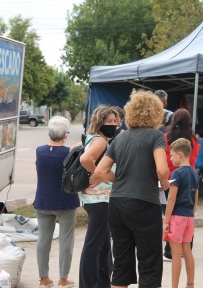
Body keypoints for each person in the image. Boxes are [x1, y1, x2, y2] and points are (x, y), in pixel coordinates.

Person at [93, 90, 170, 288]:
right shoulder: (156, 136)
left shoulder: (120, 138)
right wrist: (167, 186)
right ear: (155, 113)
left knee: (121, 264)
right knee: (149, 264)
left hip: (117, 203)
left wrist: (120, 178)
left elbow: (101, 171)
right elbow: (162, 169)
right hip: (145, 203)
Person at [34, 116, 79, 288]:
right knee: (66, 241)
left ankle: (43, 278)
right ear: (66, 134)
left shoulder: (40, 151)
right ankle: (63, 278)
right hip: (66, 202)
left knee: (43, 239)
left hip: (43, 201)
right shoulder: (69, 154)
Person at [78, 105, 119, 288]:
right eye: (108, 121)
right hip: (99, 199)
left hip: (99, 199)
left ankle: (103, 283)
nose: (112, 124)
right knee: (94, 245)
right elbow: (85, 159)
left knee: (103, 246)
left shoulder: (94, 138)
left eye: (114, 121)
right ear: (99, 121)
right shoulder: (100, 141)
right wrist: (98, 174)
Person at [163, 108, 200, 261]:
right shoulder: (193, 140)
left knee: (170, 213)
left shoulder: (166, 137)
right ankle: (187, 248)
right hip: (189, 178)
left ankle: (170, 250)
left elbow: (163, 157)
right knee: (187, 213)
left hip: (169, 179)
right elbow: (195, 157)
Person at [163, 138, 199, 288]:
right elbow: (196, 198)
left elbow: (171, 199)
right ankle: (190, 284)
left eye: (171, 155)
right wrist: (192, 211)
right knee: (187, 251)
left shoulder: (177, 173)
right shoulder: (195, 173)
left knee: (176, 254)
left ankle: (174, 286)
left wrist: (166, 220)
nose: (170, 159)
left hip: (177, 216)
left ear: (179, 155)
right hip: (189, 216)